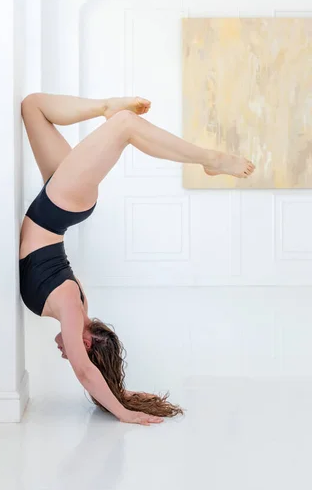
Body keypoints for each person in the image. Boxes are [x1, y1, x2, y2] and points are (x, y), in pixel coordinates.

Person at [19, 93, 255, 426]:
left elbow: (88, 365)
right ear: (87, 341)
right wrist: (123, 411)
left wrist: (122, 392)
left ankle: (104, 107)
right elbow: (85, 372)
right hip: (59, 206)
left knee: (33, 107)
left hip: (56, 206)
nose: (66, 353)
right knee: (125, 126)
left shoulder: (76, 306)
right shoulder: (73, 311)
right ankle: (210, 159)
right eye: (74, 350)